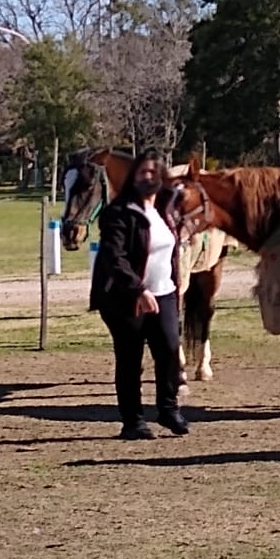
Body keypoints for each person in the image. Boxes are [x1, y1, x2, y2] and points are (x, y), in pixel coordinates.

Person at [89, 148, 190, 441]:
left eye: (153, 172)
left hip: (165, 293)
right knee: (130, 358)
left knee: (170, 350)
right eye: (143, 172)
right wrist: (138, 289)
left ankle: (168, 409)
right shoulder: (118, 213)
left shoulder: (164, 212)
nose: (148, 177)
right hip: (125, 298)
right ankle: (132, 421)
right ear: (133, 176)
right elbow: (113, 257)